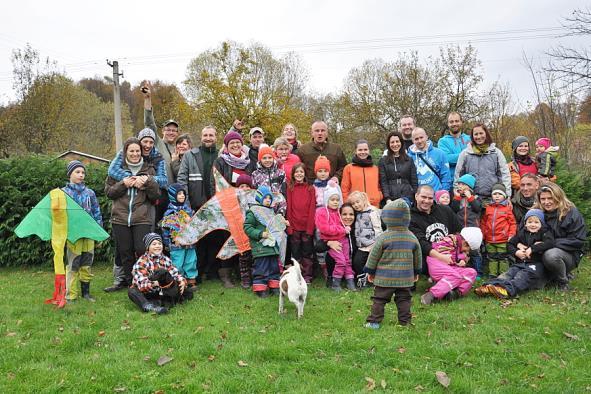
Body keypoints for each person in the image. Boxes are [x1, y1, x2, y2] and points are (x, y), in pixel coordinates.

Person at [104, 138, 161, 291]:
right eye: (132, 151)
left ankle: (143, 279)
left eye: (137, 151)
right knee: (125, 252)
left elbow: (156, 196)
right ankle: (131, 284)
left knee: (142, 249)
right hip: (120, 218)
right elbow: (109, 193)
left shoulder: (149, 170)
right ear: (125, 153)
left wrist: (148, 183)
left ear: (141, 152)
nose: (135, 154)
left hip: (141, 218)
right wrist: (123, 184)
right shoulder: (116, 171)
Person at [364, 199, 421, 328]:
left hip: (385, 278)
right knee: (404, 300)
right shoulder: (412, 236)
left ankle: (374, 322)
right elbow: (418, 256)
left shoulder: (384, 236)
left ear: (387, 217)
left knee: (379, 299)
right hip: (405, 278)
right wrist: (416, 271)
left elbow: (374, 255)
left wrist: (370, 271)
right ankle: (405, 322)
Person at [475, 209, 554, 299]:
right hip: (520, 263)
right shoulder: (522, 233)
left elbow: (550, 243)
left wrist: (533, 248)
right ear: (525, 223)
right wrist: (516, 251)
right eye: (530, 221)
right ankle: (488, 286)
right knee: (508, 273)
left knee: (521, 277)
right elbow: (510, 244)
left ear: (542, 224)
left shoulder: (545, 233)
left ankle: (507, 290)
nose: (533, 224)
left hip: (535, 265)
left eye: (536, 222)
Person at [177, 125, 220, 284]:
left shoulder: (221, 155)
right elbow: (182, 180)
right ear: (201, 137)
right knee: (198, 241)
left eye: (211, 135)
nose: (208, 138)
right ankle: (198, 272)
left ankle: (213, 272)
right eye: (205, 135)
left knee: (215, 238)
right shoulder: (190, 155)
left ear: (216, 137)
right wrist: (186, 205)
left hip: (216, 206)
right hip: (196, 206)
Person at [61, 160, 103, 302]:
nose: (81, 175)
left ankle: (86, 293)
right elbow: (59, 215)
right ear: (69, 174)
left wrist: (99, 233)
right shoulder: (63, 193)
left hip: (89, 233)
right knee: (73, 265)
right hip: (73, 235)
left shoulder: (90, 193)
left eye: (83, 172)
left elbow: (96, 212)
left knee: (87, 263)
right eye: (77, 172)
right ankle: (71, 295)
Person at [535, 183, 587, 290]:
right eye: (543, 199)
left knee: (551, 255)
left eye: (550, 198)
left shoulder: (571, 213)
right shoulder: (536, 213)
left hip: (568, 254)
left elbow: (578, 240)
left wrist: (549, 244)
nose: (546, 202)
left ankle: (563, 282)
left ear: (558, 197)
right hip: (540, 251)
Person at [128, 233, 191, 315]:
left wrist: (182, 281)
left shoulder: (166, 259)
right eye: (154, 244)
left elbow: (175, 273)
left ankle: (159, 303)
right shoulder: (142, 261)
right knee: (132, 291)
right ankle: (148, 306)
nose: (157, 246)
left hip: (163, 291)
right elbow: (141, 284)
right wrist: (156, 284)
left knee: (182, 289)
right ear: (148, 247)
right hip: (148, 291)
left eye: (159, 243)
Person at [409, 185, 462, 275]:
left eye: (430, 198)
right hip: (428, 256)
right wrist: (441, 257)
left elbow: (458, 231)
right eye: (423, 197)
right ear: (416, 196)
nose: (426, 201)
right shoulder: (410, 217)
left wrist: (461, 256)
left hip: (450, 251)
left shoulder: (445, 210)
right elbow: (421, 243)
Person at [420, 227, 480, 305]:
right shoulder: (449, 240)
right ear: (465, 242)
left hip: (449, 266)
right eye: (467, 249)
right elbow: (444, 256)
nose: (467, 251)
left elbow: (454, 258)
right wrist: (460, 259)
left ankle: (455, 293)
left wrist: (461, 260)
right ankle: (431, 294)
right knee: (455, 276)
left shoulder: (458, 245)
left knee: (472, 272)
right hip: (436, 263)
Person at [455, 123, 511, 201]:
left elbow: (504, 175)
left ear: (486, 134)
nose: (479, 137)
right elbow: (458, 175)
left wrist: (507, 195)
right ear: (472, 136)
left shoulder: (496, 153)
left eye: (481, 133)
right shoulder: (465, 154)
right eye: (476, 134)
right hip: (471, 199)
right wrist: (457, 192)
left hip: (493, 199)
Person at [316, 181, 355, 291]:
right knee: (341, 261)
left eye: (337, 200)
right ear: (327, 200)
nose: (335, 202)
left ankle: (350, 281)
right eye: (332, 200)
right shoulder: (322, 212)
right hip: (332, 241)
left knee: (347, 261)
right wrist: (342, 230)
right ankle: (335, 283)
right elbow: (325, 229)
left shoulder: (339, 212)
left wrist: (344, 230)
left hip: (343, 240)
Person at [244, 186, 282, 298]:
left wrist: (282, 222)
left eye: (270, 198)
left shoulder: (271, 212)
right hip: (260, 246)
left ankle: (274, 286)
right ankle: (260, 288)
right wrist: (260, 234)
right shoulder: (253, 212)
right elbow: (247, 227)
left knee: (274, 267)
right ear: (259, 199)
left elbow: (275, 225)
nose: (268, 200)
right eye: (266, 198)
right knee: (262, 267)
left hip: (272, 246)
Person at [160, 183, 198, 289]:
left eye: (183, 194)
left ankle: (191, 278)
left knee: (191, 260)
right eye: (179, 194)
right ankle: (179, 279)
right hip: (176, 244)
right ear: (173, 196)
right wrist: (167, 242)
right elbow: (165, 229)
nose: (182, 196)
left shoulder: (189, 211)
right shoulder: (169, 213)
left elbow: (195, 225)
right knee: (177, 261)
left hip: (190, 242)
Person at [141, 81, 179, 181]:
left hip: (176, 193)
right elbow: (149, 123)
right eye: (168, 130)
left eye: (174, 130)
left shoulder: (179, 148)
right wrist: (147, 99)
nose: (171, 132)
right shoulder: (157, 142)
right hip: (160, 191)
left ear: (177, 133)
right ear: (163, 131)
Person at [286, 163, 316, 283]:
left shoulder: (310, 188)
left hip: (306, 226)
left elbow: (312, 208)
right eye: (296, 172)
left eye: (301, 172)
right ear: (293, 174)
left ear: (305, 174)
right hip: (294, 226)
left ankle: (307, 275)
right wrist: (290, 227)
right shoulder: (290, 188)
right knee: (296, 252)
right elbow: (289, 207)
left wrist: (310, 228)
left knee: (307, 252)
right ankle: (297, 275)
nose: (299, 174)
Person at [480, 183, 517, 276]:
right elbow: (484, 222)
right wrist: (483, 234)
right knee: (492, 257)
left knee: (503, 257)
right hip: (489, 239)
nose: (497, 196)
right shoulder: (488, 208)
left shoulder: (507, 209)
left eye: (500, 194)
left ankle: (503, 275)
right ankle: (493, 274)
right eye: (495, 194)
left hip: (503, 239)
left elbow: (512, 223)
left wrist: (511, 234)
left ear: (504, 196)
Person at [348, 191, 383, 283]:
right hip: (362, 245)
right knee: (357, 262)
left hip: (372, 244)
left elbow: (377, 228)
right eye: (353, 203)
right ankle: (362, 278)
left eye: (357, 202)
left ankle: (372, 279)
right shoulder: (357, 214)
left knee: (371, 263)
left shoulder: (372, 212)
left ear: (364, 200)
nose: (355, 205)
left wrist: (377, 243)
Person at [379, 131, 418, 206]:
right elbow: (383, 182)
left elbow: (414, 180)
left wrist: (415, 195)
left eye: (397, 141)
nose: (395, 144)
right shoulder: (383, 161)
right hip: (391, 198)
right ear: (388, 144)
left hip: (407, 197)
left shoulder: (409, 160)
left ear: (401, 142)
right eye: (392, 142)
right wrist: (387, 198)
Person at [407, 128, 452, 192]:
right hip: (418, 198)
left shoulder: (439, 153)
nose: (419, 141)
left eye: (421, 137)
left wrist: (443, 193)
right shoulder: (408, 157)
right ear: (412, 140)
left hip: (437, 196)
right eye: (416, 139)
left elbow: (446, 176)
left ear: (426, 137)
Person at [342, 139, 382, 207]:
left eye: (365, 149)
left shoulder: (375, 168)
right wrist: (348, 204)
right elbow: (344, 189)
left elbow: (379, 187)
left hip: (374, 206)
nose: (363, 152)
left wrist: (378, 196)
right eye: (360, 150)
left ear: (369, 151)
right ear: (356, 151)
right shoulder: (348, 168)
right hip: (356, 206)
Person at [251, 144, 287, 215]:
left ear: (273, 158)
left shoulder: (280, 173)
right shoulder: (255, 175)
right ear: (260, 160)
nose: (267, 160)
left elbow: (283, 194)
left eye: (270, 157)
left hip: (278, 210)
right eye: (264, 158)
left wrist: (281, 212)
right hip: (262, 212)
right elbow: (254, 195)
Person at [235, 174, 255, 289]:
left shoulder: (254, 200)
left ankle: (255, 277)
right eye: (242, 186)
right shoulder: (236, 201)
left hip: (252, 232)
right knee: (243, 257)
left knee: (253, 256)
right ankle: (245, 279)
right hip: (240, 232)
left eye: (247, 186)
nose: (245, 188)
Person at [437, 112, 470, 177]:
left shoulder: (470, 139)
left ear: (461, 122)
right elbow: (447, 158)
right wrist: (468, 155)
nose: (454, 124)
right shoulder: (442, 141)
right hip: (452, 182)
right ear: (448, 124)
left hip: (470, 180)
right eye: (451, 122)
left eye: (457, 121)